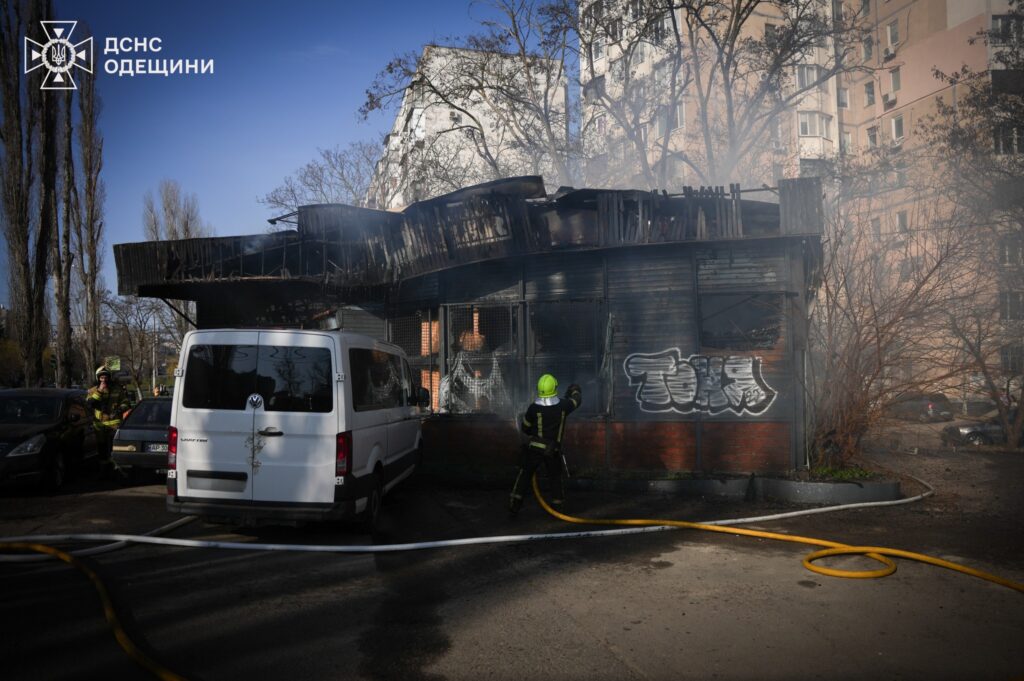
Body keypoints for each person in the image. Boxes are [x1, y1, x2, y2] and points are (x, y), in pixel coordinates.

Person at [508, 374, 582, 516]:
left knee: (525, 474)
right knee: (555, 476)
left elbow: (525, 428)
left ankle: (515, 504)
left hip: (534, 448)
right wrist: (575, 390)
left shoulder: (533, 408)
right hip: (552, 450)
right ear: (554, 388)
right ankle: (557, 508)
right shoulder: (563, 405)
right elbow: (577, 401)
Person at [86, 365, 130, 462]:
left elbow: (126, 403)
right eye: (101, 378)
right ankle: (103, 469)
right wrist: (99, 391)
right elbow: (90, 404)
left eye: (106, 377)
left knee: (113, 450)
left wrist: (118, 411)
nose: (104, 380)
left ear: (109, 378)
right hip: (99, 426)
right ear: (98, 378)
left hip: (114, 425)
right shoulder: (93, 391)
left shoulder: (117, 390)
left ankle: (114, 469)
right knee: (102, 451)